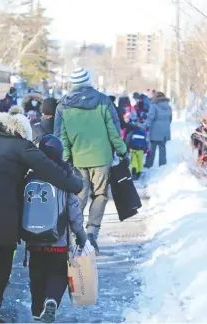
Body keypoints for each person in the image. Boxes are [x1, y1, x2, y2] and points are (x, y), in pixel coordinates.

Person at [0, 106, 83, 323]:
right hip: (2, 208)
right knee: (2, 257)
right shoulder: (20, 146)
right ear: (20, 130)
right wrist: (74, 183)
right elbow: (49, 169)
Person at [54, 67, 128, 253]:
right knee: (100, 195)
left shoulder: (63, 105)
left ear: (73, 83)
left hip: (77, 159)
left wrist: (63, 158)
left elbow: (60, 136)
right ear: (88, 81)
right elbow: (113, 129)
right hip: (102, 157)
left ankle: (74, 234)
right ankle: (92, 232)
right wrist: (121, 151)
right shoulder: (103, 100)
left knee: (78, 196)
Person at [26, 135, 87, 323]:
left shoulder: (30, 176)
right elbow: (74, 210)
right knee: (58, 273)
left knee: (36, 276)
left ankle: (37, 312)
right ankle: (52, 299)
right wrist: (80, 233)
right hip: (58, 239)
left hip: (34, 238)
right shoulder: (64, 177)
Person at [142, 91, 172, 168]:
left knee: (151, 148)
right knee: (162, 148)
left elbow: (150, 118)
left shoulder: (154, 106)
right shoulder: (168, 107)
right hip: (165, 132)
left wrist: (145, 126)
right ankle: (162, 165)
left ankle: (149, 164)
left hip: (155, 131)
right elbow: (170, 119)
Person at [125, 112, 148, 180]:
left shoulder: (132, 132)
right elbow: (146, 141)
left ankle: (134, 170)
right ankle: (138, 172)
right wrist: (146, 149)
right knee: (140, 160)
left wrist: (127, 148)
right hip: (141, 149)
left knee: (134, 160)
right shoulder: (143, 132)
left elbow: (128, 140)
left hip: (133, 148)